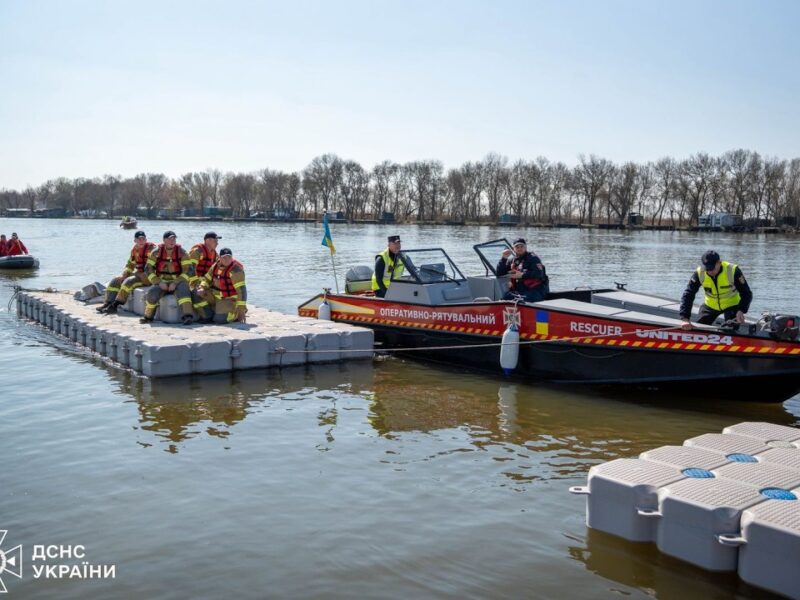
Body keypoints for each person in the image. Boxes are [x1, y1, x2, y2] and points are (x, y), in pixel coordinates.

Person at [679, 250, 752, 330]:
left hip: (731, 305)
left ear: (719, 263)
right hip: (710, 305)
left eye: (712, 268)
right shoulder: (699, 273)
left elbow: (746, 293)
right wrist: (685, 318)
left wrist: (741, 310)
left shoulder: (733, 270)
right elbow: (688, 294)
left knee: (730, 330)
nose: (710, 271)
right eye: (707, 269)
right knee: (699, 328)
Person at [141, 231, 196, 325]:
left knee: (184, 291)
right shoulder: (155, 252)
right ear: (164, 240)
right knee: (152, 293)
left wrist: (175, 282)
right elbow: (148, 269)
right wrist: (158, 282)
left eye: (174, 239)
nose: (172, 241)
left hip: (178, 282)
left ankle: (187, 316)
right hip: (162, 282)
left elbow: (189, 271)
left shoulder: (182, 252)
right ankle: (148, 317)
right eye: (169, 239)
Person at [97, 230, 157, 313]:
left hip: (149, 278)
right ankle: (107, 303)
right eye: (139, 239)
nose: (141, 241)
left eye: (143, 239)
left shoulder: (153, 249)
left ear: (146, 240)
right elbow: (130, 265)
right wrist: (124, 275)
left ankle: (116, 305)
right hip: (139, 275)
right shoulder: (134, 250)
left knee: (128, 281)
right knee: (116, 280)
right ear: (135, 241)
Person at [195, 248, 247, 323]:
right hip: (216, 296)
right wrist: (202, 288)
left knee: (220, 320)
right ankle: (208, 315)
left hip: (229, 299)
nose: (227, 260)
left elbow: (242, 291)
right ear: (219, 258)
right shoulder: (215, 266)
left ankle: (236, 313)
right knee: (195, 292)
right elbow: (206, 279)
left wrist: (241, 310)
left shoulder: (236, 270)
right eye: (224, 257)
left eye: (229, 257)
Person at [496, 238, 549, 303]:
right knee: (505, 298)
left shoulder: (533, 258)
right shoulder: (512, 260)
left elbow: (539, 274)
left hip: (535, 291)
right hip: (521, 291)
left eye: (522, 246)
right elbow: (499, 273)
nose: (519, 248)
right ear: (513, 249)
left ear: (526, 247)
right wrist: (504, 258)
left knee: (520, 301)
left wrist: (522, 275)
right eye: (517, 247)